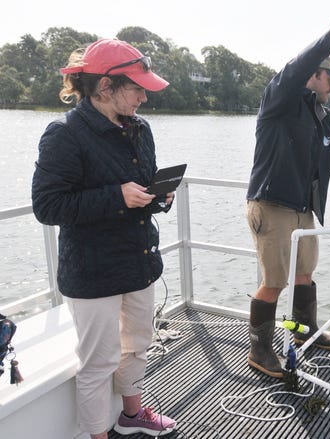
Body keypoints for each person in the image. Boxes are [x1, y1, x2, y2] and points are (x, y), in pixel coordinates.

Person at [31, 38, 176, 438]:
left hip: (138, 261)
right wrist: (117, 197)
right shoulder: (64, 134)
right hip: (92, 271)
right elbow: (47, 206)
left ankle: (131, 414)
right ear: (105, 87)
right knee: (98, 362)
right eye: (137, 88)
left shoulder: (140, 129)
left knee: (138, 344)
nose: (144, 97)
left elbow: (140, 187)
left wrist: (157, 195)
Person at [246, 8, 330, 379]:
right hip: (271, 206)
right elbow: (293, 71)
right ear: (313, 75)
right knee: (274, 281)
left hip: (303, 209)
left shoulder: (324, 116)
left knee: (304, 274)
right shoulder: (280, 100)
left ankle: (307, 335)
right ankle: (260, 351)